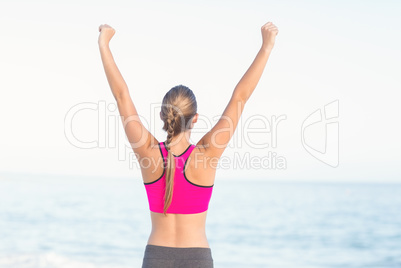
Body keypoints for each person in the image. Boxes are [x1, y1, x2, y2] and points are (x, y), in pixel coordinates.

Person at [98, 21, 278, 268]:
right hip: (197, 259)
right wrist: (266, 47)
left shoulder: (147, 152)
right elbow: (240, 97)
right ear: (195, 118)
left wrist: (104, 44)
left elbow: (121, 95)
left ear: (162, 115)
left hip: (156, 258)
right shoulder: (207, 154)